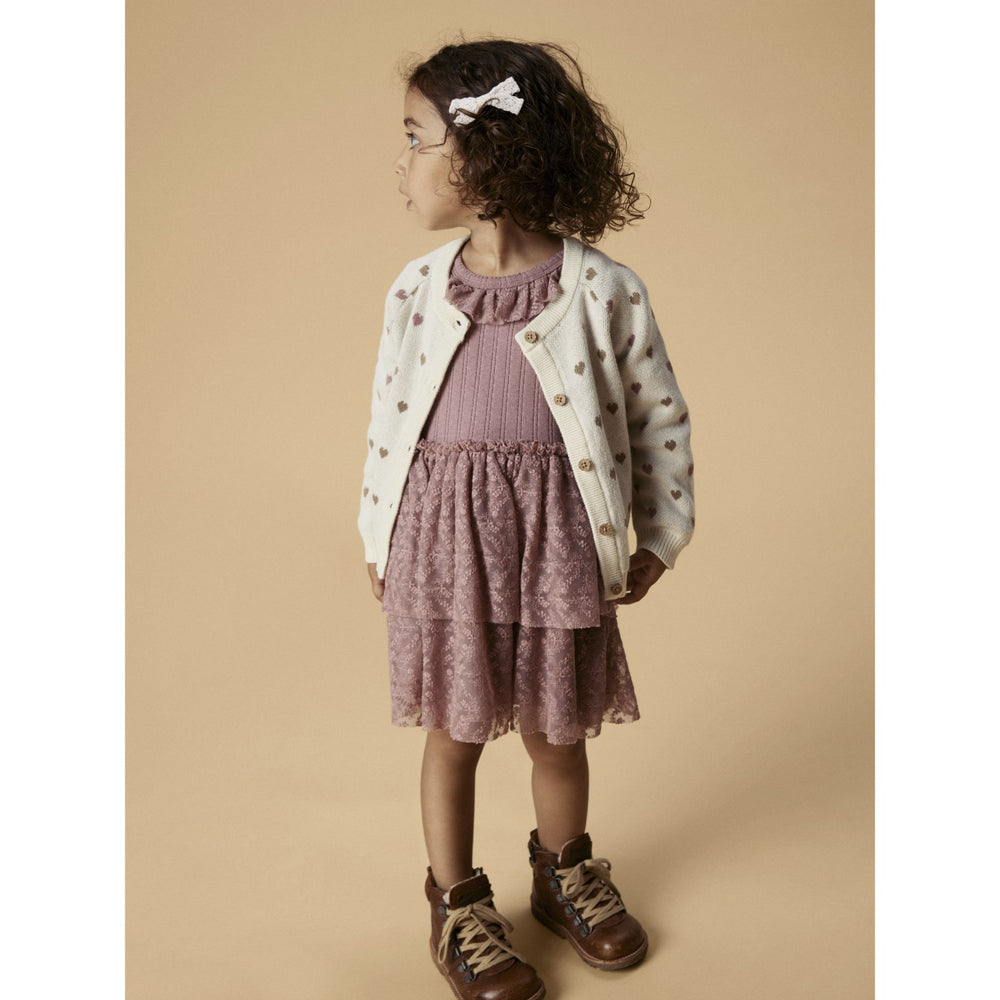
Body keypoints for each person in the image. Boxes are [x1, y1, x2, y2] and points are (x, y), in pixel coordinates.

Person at [358, 38, 695, 1000]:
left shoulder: (603, 290)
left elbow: (658, 417)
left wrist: (659, 533)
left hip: (556, 543)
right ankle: (458, 905)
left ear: (485, 154)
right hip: (447, 542)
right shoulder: (417, 290)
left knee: (558, 731)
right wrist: (377, 533)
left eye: (416, 139)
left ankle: (562, 873)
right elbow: (387, 419)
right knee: (453, 731)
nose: (400, 162)